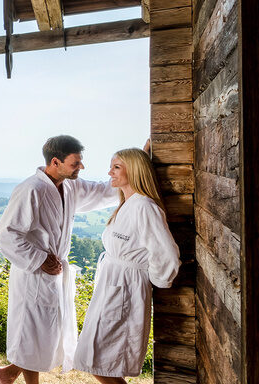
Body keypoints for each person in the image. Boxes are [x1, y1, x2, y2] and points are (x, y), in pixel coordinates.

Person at [0, 135, 118, 384]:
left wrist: (143, 161)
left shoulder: (71, 186)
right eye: (75, 163)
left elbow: (103, 191)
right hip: (32, 274)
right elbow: (6, 235)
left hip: (55, 271)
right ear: (55, 161)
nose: (81, 168)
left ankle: (7, 374)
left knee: (45, 332)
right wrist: (40, 259)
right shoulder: (31, 189)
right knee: (31, 332)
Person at [73, 148, 181, 383]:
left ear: (135, 171)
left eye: (117, 167)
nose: (109, 172)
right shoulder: (127, 203)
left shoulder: (144, 207)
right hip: (113, 286)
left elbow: (168, 255)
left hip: (126, 289)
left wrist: (151, 279)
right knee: (98, 359)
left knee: (104, 363)